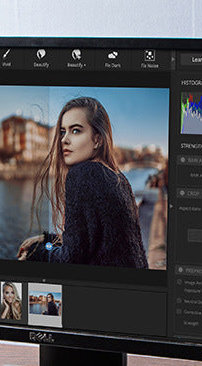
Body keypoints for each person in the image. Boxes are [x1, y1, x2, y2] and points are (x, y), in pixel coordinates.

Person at [17, 97, 147, 269]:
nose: (64, 139)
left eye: (76, 131)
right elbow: (91, 242)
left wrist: (36, 252)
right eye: (63, 132)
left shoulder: (83, 174)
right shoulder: (119, 178)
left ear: (98, 139)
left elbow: (69, 260)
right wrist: (48, 240)